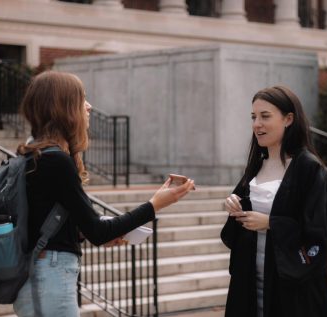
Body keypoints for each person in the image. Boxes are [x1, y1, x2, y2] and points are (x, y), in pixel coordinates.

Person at [12, 70, 195, 317]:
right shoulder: (55, 160)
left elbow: (61, 225)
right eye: (81, 99)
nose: (89, 106)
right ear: (62, 108)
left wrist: (91, 232)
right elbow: (97, 232)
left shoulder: (37, 156)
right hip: (50, 276)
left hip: (40, 274)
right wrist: (154, 205)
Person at [221, 86, 327, 317]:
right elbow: (238, 227)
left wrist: (271, 223)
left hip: (290, 287)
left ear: (288, 119)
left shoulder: (309, 169)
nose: (257, 124)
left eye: (265, 116)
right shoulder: (257, 165)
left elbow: (320, 233)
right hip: (250, 280)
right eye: (254, 117)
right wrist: (236, 205)